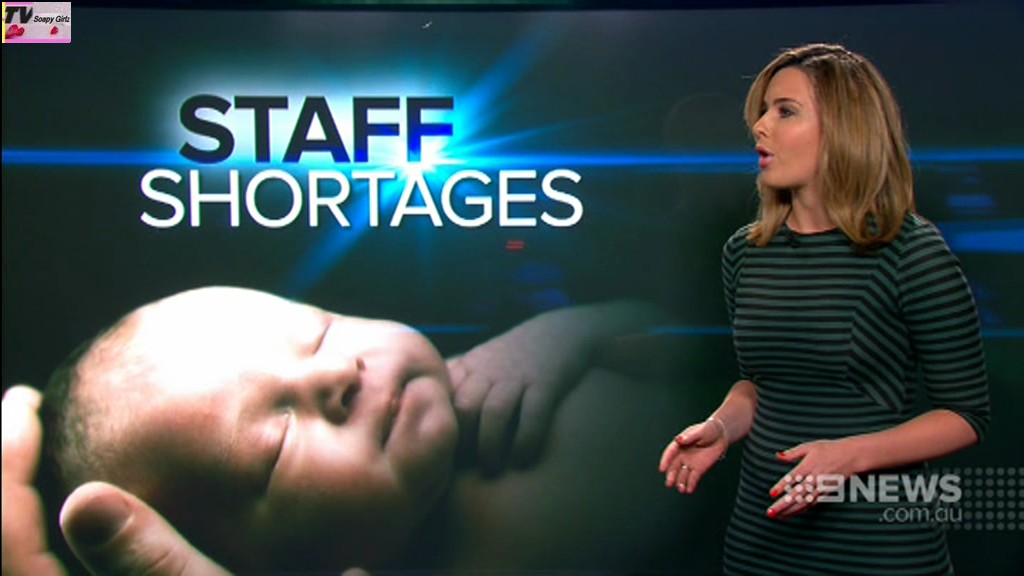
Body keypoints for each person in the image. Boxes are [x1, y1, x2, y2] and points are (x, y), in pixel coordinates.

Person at [8, 285, 701, 574]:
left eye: (319, 331)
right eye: (276, 444)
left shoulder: (493, 378)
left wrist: (569, 334)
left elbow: (697, 346)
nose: (336, 373)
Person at [658, 43, 991, 575]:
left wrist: (849, 455)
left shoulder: (911, 251)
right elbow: (761, 384)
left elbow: (966, 415)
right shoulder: (745, 251)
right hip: (760, 543)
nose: (760, 126)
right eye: (763, 111)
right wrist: (721, 427)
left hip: (877, 549)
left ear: (842, 129)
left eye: (785, 111)